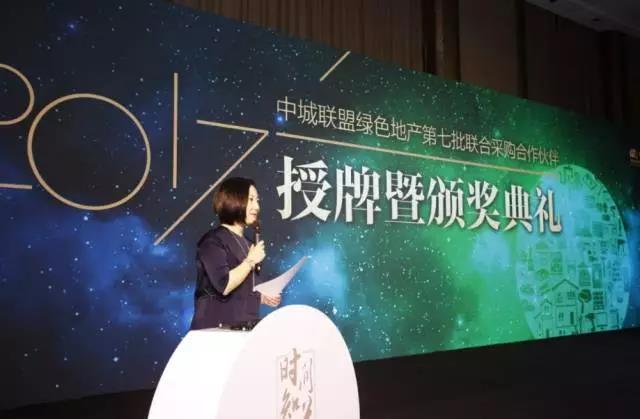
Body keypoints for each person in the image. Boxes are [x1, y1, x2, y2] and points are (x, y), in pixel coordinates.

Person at [190, 177, 281, 330]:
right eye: (251, 200)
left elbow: (242, 290)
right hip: (214, 331)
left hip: (244, 328)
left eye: (257, 200)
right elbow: (224, 285)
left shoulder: (249, 244)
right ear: (233, 200)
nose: (257, 207)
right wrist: (250, 261)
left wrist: (262, 298)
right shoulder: (213, 241)